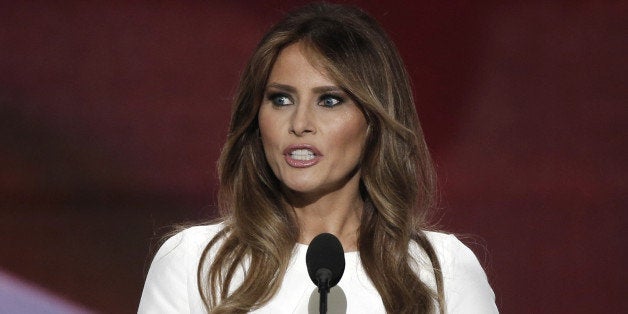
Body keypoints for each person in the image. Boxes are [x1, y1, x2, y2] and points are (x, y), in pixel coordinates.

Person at [138, 2, 497, 313]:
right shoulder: (194, 263)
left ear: (374, 120)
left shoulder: (441, 269)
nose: (299, 123)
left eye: (329, 100)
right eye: (281, 99)